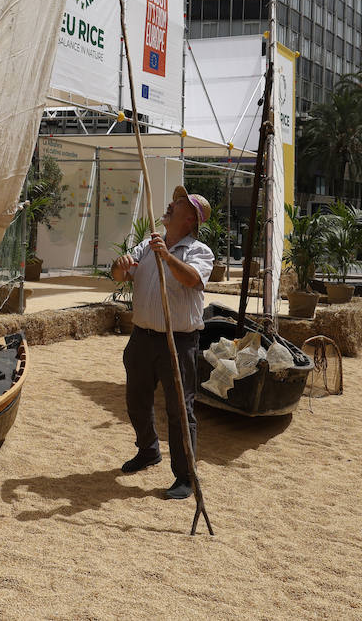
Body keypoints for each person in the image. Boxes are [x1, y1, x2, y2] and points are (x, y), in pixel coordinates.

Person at [109, 184, 214, 501]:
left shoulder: (199, 251)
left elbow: (192, 279)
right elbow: (117, 275)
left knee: (180, 410)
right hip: (142, 337)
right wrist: (121, 264)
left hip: (178, 342)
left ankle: (185, 477)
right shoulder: (147, 245)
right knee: (136, 400)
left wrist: (166, 256)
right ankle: (148, 450)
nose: (171, 204)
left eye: (179, 204)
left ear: (190, 220)